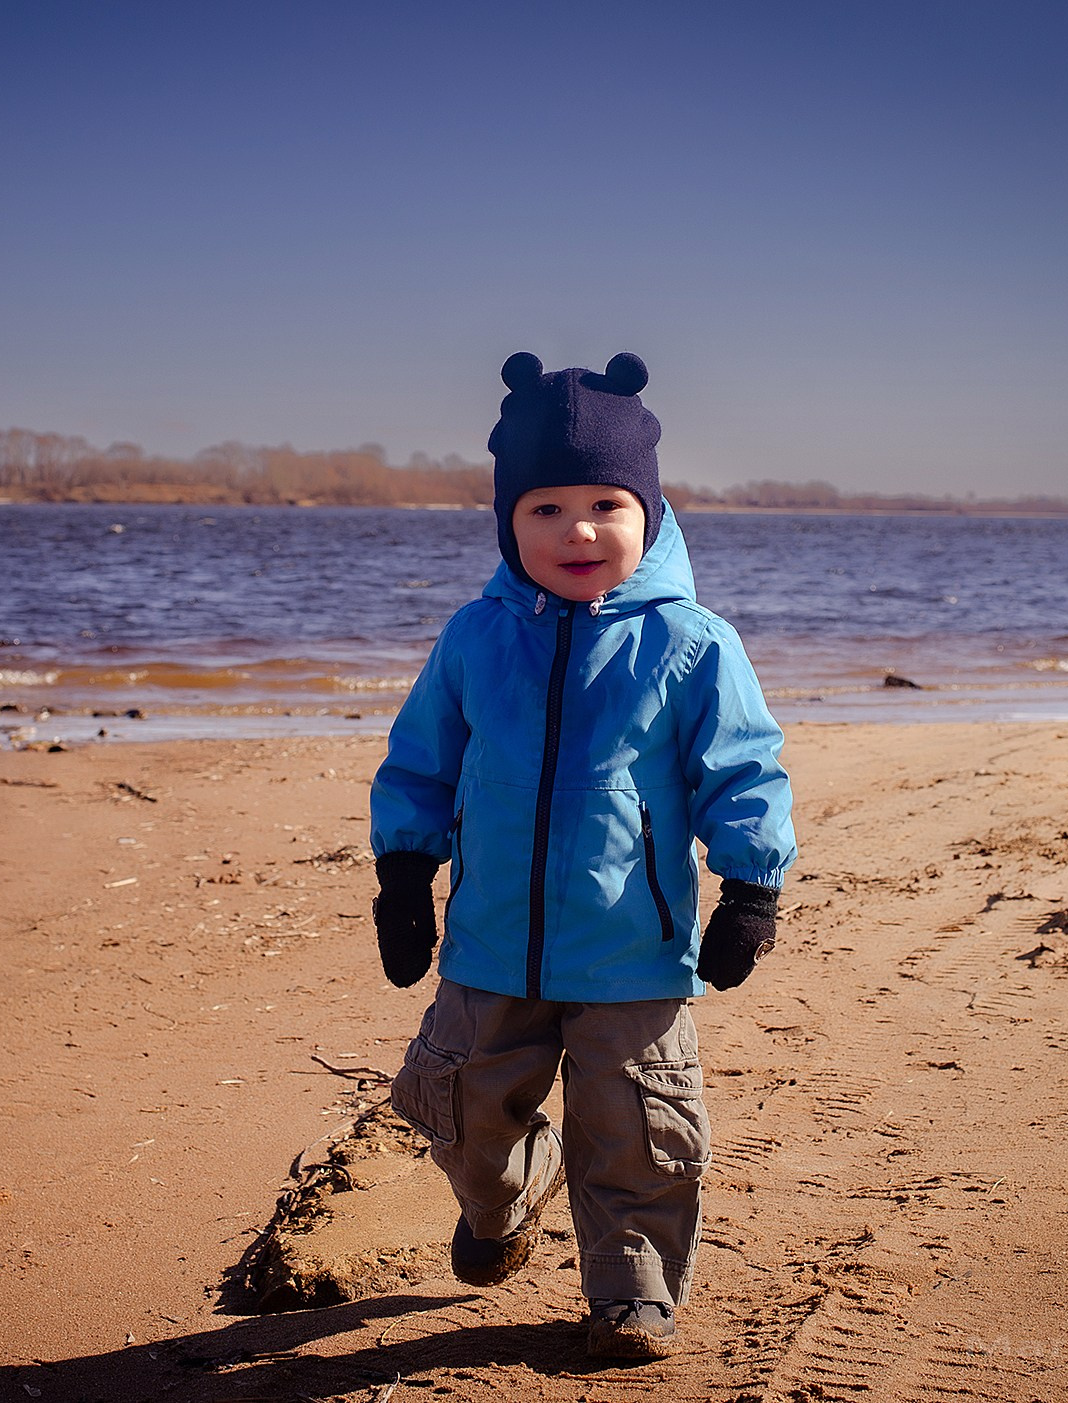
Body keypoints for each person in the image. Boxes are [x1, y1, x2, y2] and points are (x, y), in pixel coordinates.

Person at [370, 351, 796, 1360]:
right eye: (545, 509)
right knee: (457, 1109)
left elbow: (745, 769)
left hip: (631, 950)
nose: (577, 530)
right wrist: (401, 873)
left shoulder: (690, 643)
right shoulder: (474, 637)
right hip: (487, 945)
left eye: (605, 503)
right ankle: (505, 1196)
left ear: (646, 513)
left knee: (638, 1134)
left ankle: (632, 1287)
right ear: (507, 524)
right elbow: (420, 760)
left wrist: (748, 888)